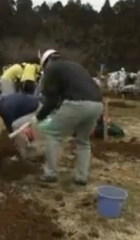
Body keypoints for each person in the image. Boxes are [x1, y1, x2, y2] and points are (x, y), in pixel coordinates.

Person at [33, 49, 103, 185]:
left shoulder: (51, 69)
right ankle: (81, 177)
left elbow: (51, 100)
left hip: (77, 103)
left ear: (46, 62)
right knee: (83, 141)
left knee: (53, 134)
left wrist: (39, 117)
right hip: (97, 104)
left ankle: (49, 175)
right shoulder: (75, 66)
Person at [0, 93, 40, 158]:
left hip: (36, 111)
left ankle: (24, 152)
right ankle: (28, 146)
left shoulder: (4, 108)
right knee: (18, 126)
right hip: (33, 106)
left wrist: (11, 142)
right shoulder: (3, 100)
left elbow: (11, 129)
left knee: (15, 126)